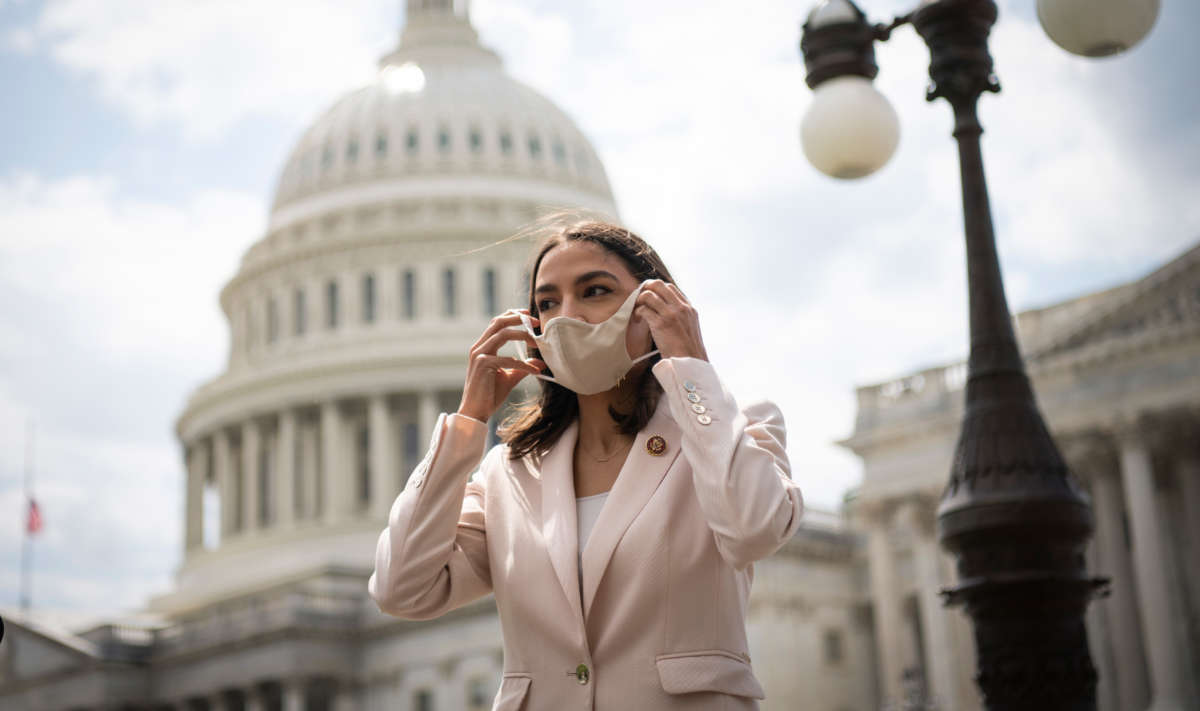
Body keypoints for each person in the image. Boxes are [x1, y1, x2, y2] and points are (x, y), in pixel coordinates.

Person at [368, 218, 804, 711]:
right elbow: (401, 589)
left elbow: (754, 530)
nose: (566, 318)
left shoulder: (731, 430)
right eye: (547, 303)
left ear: (655, 307)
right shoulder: (507, 474)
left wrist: (692, 366)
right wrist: (467, 426)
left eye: (594, 291)